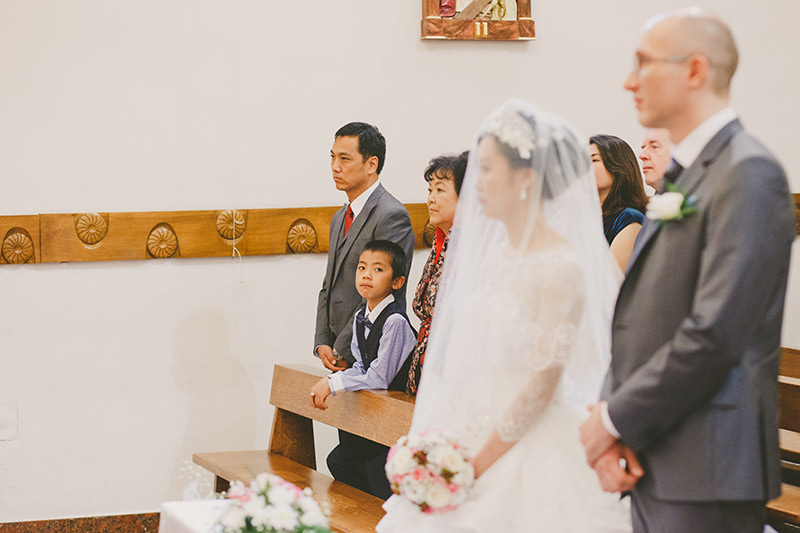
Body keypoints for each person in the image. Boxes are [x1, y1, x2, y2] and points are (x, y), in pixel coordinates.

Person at [579, 9, 795, 533]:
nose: (630, 81)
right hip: (656, 445)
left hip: (707, 462)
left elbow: (715, 332)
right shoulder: (685, 175)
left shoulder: (748, 173)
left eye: (644, 64)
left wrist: (613, 418)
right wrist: (617, 422)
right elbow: (639, 314)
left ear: (695, 70)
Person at [377, 100, 631, 532]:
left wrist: (475, 465)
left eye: (488, 169)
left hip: (527, 448)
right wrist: (440, 442)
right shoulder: (495, 256)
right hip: (467, 428)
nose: (475, 183)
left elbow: (543, 383)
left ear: (525, 178)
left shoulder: (561, 265)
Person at [310, 240, 417, 499]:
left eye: (378, 269)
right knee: (344, 456)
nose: (367, 275)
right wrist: (333, 379)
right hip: (377, 410)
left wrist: (333, 384)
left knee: (341, 461)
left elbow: (379, 377)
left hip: (400, 414)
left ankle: (373, 510)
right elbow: (360, 365)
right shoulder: (361, 316)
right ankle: (364, 509)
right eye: (361, 268)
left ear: (397, 282)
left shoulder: (394, 321)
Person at [314, 122, 415, 372]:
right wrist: (322, 341)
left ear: (371, 164)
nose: (335, 166)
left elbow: (382, 292)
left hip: (373, 351)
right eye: (332, 157)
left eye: (345, 158)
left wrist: (343, 349)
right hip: (338, 352)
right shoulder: (339, 217)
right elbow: (329, 284)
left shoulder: (391, 215)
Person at [405, 151, 468, 395]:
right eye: (429, 190)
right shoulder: (439, 242)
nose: (431, 198)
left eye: (440, 190)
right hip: (427, 363)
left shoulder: (468, 247)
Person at [590, 134, 649, 272]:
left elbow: (612, 279)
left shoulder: (628, 218)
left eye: (594, 160)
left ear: (618, 166)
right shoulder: (583, 216)